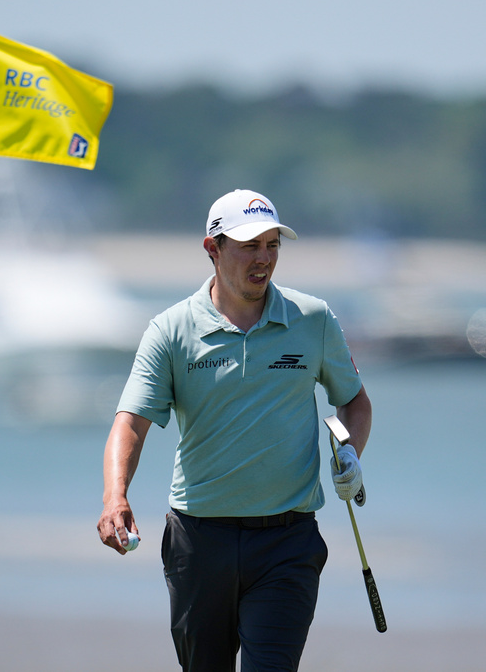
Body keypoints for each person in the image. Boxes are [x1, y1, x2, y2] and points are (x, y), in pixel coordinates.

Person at [97, 188, 372, 671]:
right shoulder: (170, 330)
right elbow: (131, 423)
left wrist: (351, 454)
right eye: (250, 245)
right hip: (199, 543)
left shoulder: (313, 320)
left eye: (272, 245)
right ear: (213, 249)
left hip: (288, 544)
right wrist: (115, 496)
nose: (263, 258)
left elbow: (353, 401)